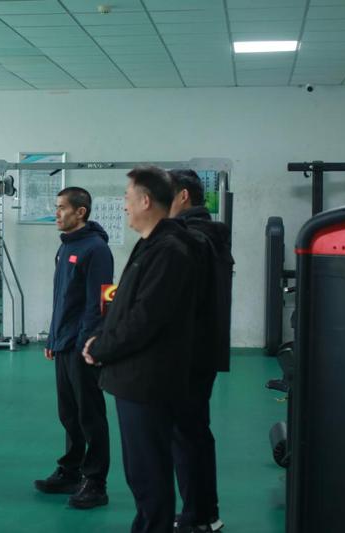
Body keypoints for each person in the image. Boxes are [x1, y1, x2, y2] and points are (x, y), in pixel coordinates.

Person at [82, 166, 199, 533]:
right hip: (134, 378)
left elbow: (145, 318)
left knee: (149, 472)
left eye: (127, 198)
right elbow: (126, 305)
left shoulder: (170, 251)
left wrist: (102, 347)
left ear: (146, 201)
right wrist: (100, 337)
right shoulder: (151, 245)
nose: (123, 206)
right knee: (142, 471)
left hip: (147, 379)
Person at [34, 187, 113, 509]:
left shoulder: (97, 250)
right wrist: (53, 338)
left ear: (80, 212)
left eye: (62, 208)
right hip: (64, 343)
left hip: (83, 346)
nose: (56, 213)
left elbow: (100, 302)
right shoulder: (65, 247)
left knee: (90, 415)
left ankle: (95, 482)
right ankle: (71, 471)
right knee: (69, 413)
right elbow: (62, 299)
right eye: (56, 207)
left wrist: (87, 343)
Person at [169, 169, 234, 533]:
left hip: (188, 354)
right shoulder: (209, 234)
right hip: (202, 350)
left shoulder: (191, 239)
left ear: (183, 196)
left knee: (187, 434)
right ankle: (205, 513)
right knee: (194, 432)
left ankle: (197, 516)